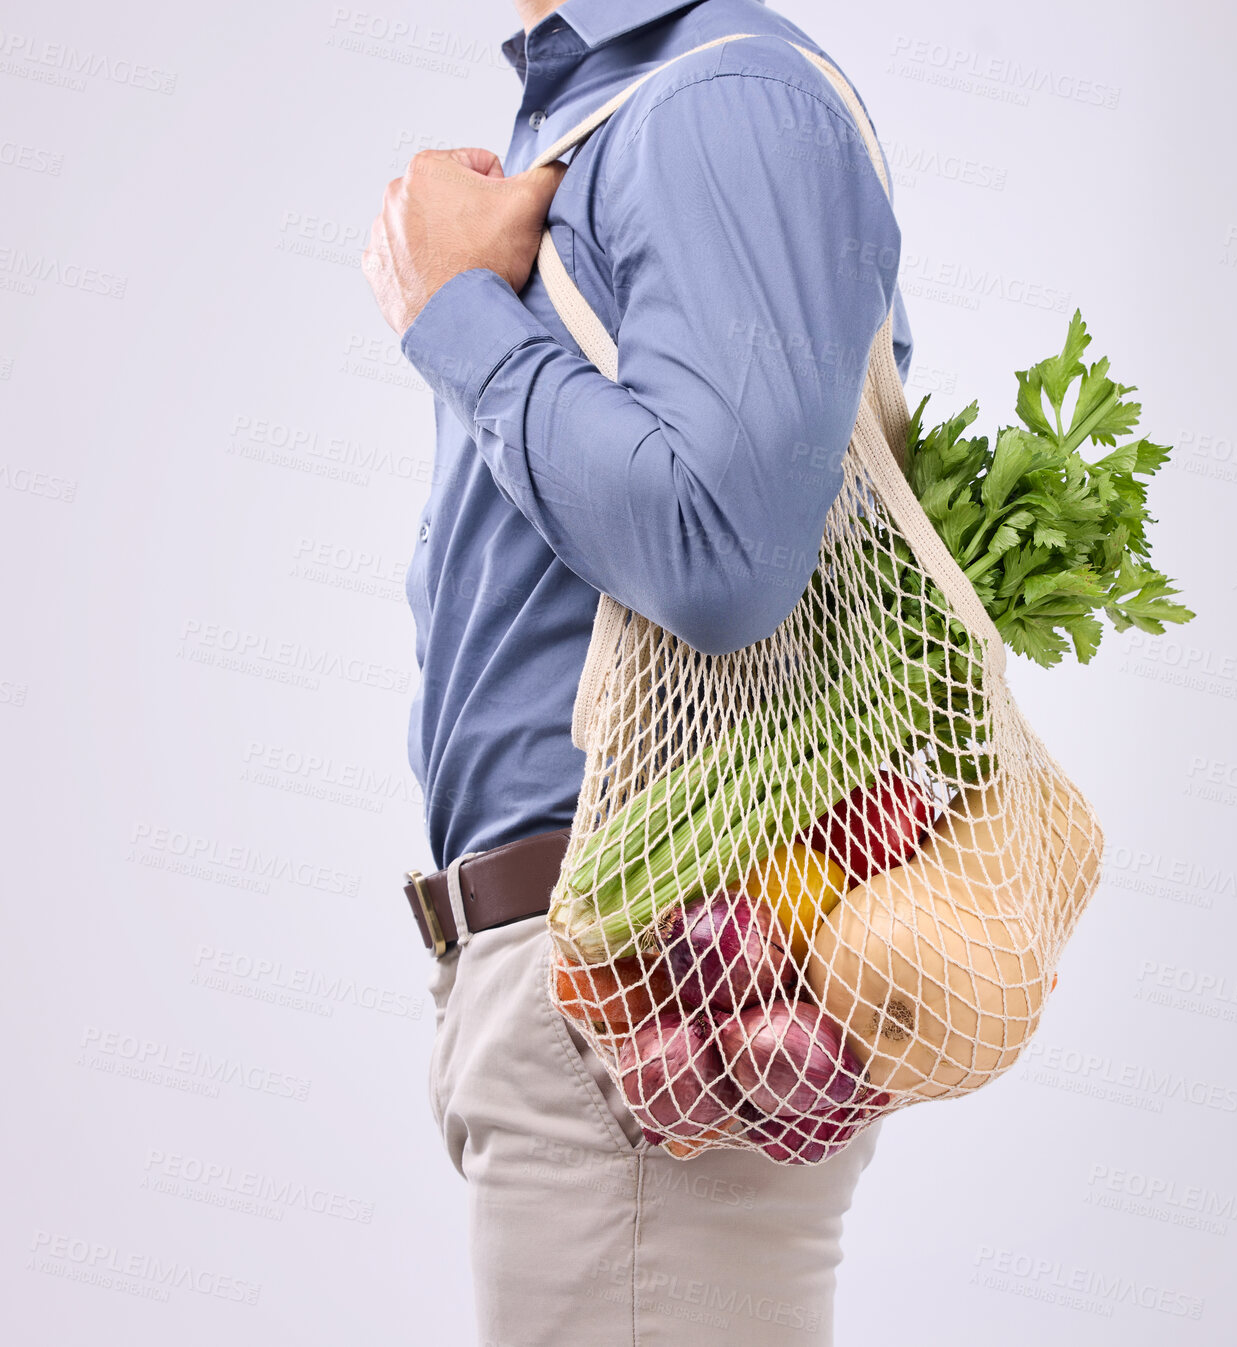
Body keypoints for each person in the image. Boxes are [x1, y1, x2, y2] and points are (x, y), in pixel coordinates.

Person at [363, 1, 913, 1341]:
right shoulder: (620, 102)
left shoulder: (716, 102)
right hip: (607, 989)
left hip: (654, 985)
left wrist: (454, 317)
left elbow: (719, 552)